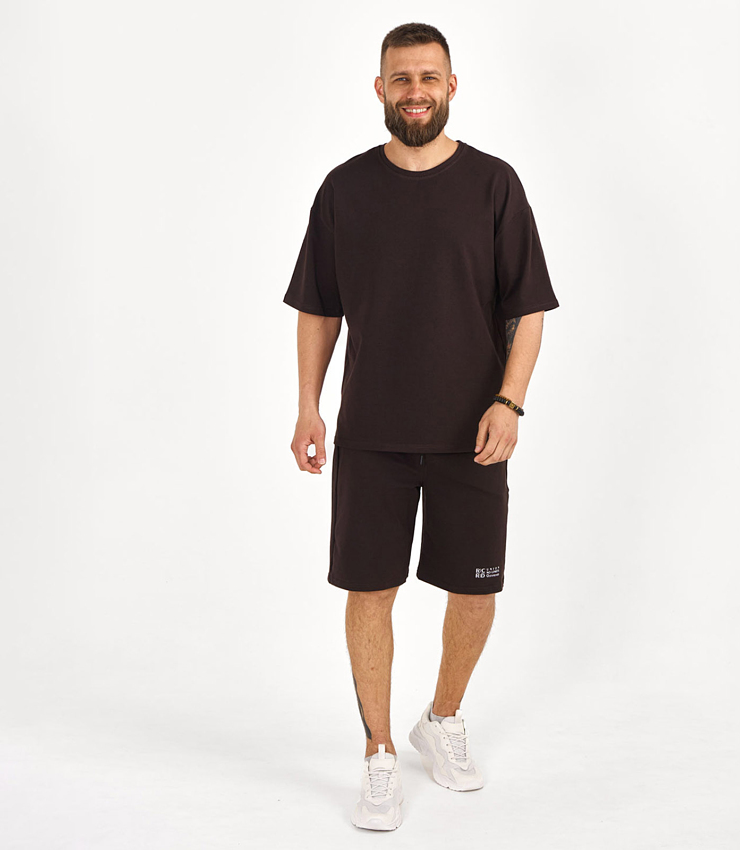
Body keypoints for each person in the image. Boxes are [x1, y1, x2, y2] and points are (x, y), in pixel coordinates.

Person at [283, 22, 560, 831]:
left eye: (428, 78)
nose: (415, 92)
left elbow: (529, 309)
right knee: (370, 590)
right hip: (372, 432)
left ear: (451, 86)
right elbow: (318, 307)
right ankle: (378, 753)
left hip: (474, 432)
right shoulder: (344, 189)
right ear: (380, 89)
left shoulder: (494, 185)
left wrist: (509, 402)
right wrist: (308, 404)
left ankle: (441, 718)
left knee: (475, 589)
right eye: (401, 78)